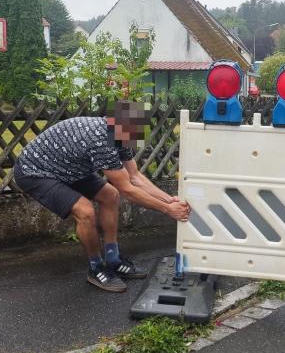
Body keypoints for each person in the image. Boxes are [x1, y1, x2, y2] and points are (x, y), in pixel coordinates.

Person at [14, 102, 190, 293]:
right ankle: (96, 267)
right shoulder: (102, 140)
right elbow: (127, 189)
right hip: (36, 171)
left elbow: (135, 177)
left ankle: (113, 259)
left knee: (109, 195)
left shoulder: (120, 133)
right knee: (85, 211)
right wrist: (167, 210)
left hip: (68, 168)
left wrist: (169, 200)